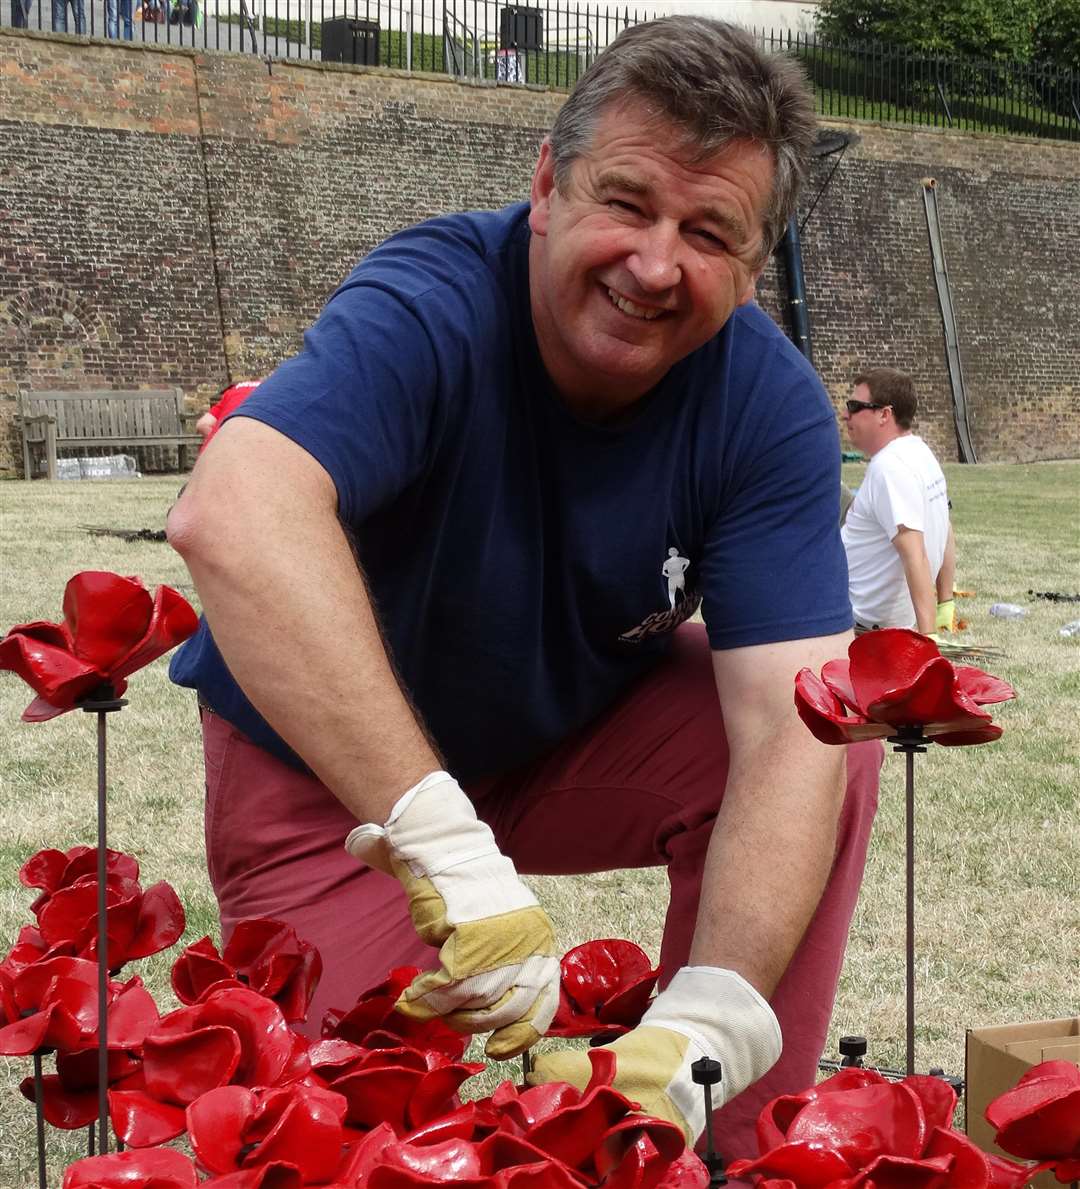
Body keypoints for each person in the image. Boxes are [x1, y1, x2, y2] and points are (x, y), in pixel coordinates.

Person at [167, 16, 882, 1161]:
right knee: (367, 1128)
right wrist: (444, 847)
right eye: (627, 202)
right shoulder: (433, 298)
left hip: (562, 739)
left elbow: (799, 720)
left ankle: (739, 1143)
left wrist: (709, 1018)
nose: (656, 265)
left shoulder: (767, 403)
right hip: (334, 790)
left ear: (755, 269)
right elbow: (232, 510)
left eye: (708, 232)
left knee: (831, 728)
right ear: (546, 184)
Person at [840, 368, 956, 635]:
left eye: (855, 406)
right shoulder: (920, 452)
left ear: (884, 414)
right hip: (878, 620)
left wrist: (928, 640)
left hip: (861, 623)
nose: (846, 414)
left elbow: (915, 554)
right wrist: (945, 601)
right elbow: (946, 527)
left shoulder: (890, 467)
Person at [195, 379, 262, 452]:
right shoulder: (270, 393)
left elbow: (202, 425)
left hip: (214, 455)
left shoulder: (232, 392)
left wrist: (222, 442)